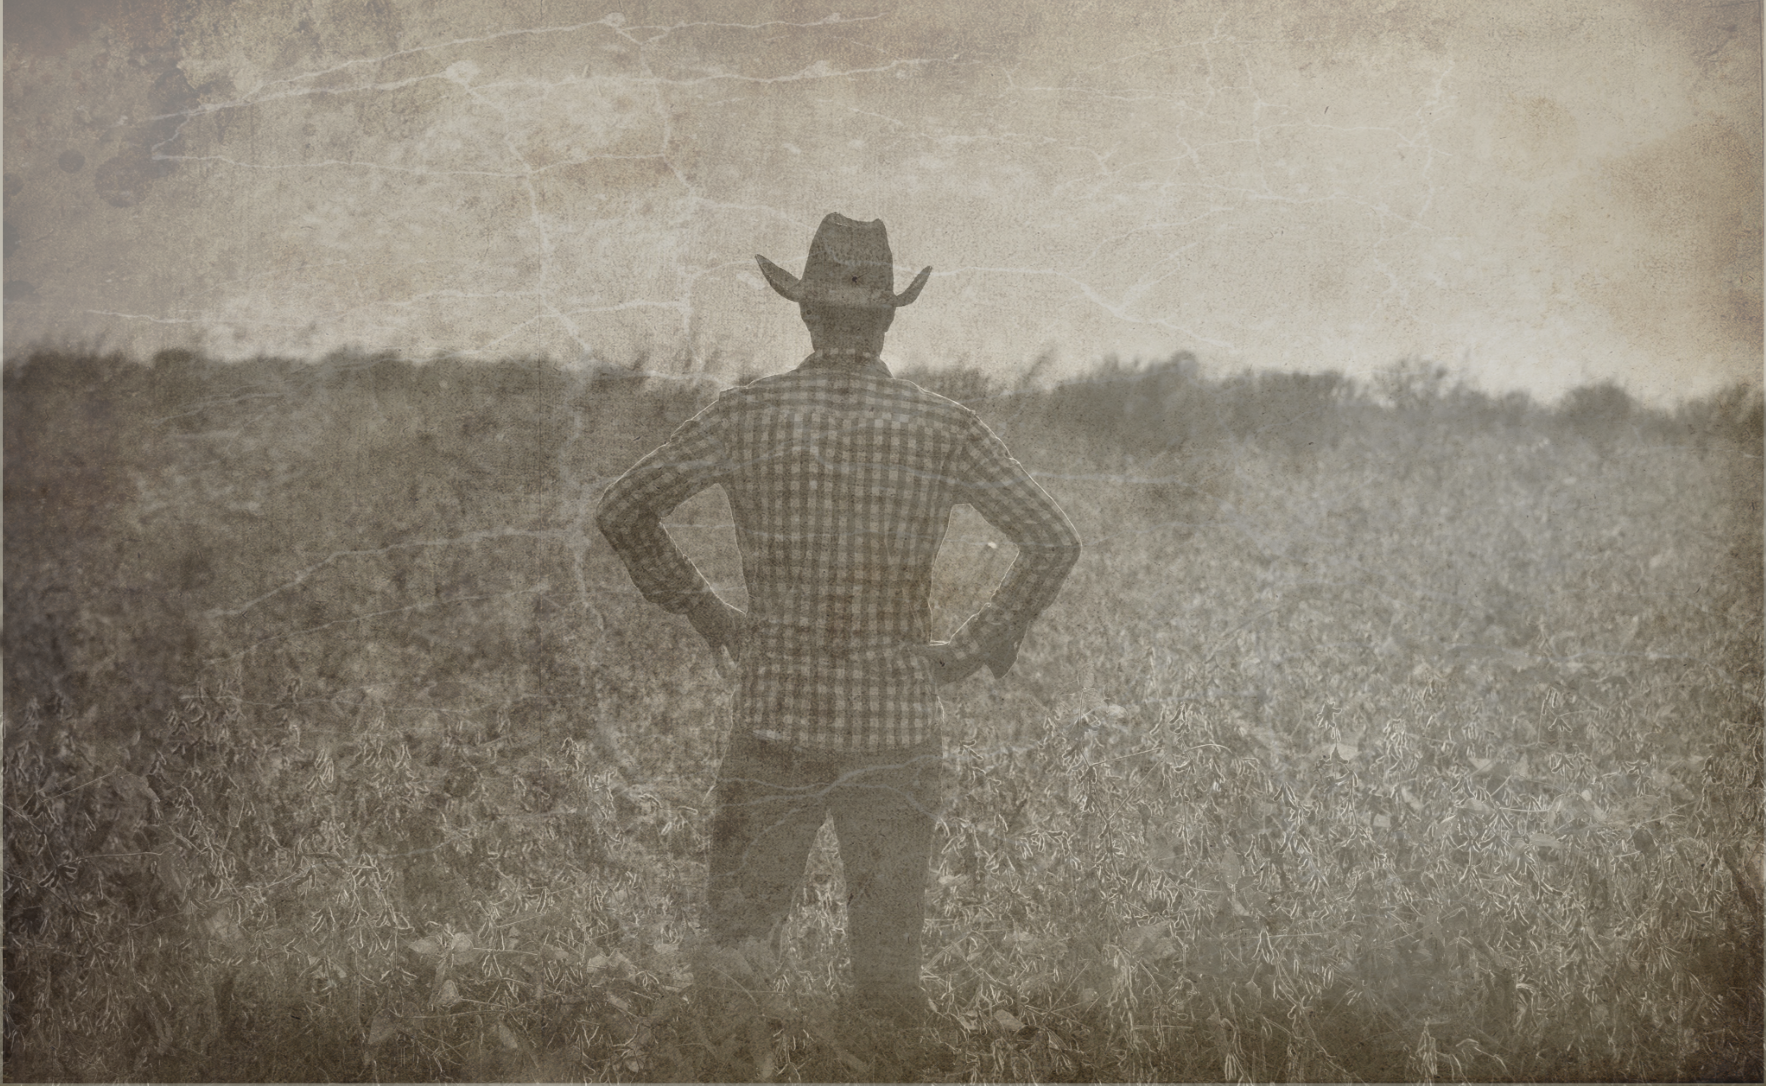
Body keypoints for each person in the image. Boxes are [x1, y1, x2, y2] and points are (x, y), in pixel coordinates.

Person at [596, 213, 1080, 1037]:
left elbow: (623, 508)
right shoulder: (944, 427)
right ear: (888, 317)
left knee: (734, 969)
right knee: (888, 985)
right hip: (896, 732)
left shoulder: (745, 413)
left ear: (804, 313)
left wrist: (709, 613)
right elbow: (1053, 540)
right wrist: (970, 649)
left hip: (772, 726)